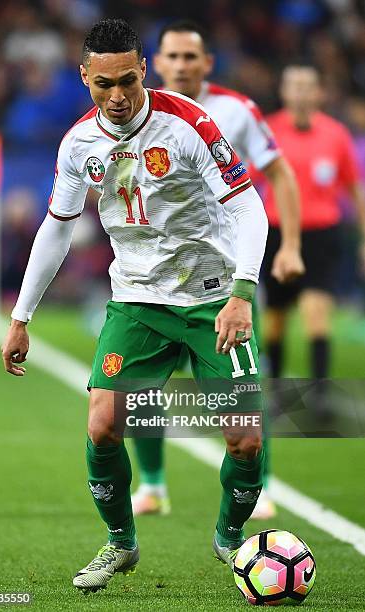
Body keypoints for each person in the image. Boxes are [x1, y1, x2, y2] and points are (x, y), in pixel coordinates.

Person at [1, 18, 269, 592]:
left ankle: (229, 537)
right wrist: (22, 317)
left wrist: (243, 293)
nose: (117, 96)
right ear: (84, 77)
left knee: (245, 439)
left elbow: (249, 207)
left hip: (213, 297)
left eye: (128, 80)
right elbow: (57, 226)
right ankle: (121, 543)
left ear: (144, 69)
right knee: (102, 426)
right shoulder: (79, 143)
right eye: (103, 84)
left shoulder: (190, 125)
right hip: (138, 301)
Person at [130, 20, 304, 520]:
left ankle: (262, 485)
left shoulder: (236, 110)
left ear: (207, 63)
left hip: (228, 273)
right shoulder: (137, 115)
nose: (182, 65)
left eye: (192, 57)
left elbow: (280, 173)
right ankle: (154, 485)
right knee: (142, 389)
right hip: (158, 278)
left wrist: (290, 245)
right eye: (173, 57)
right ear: (156, 64)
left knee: (245, 384)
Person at [261, 66, 365, 409]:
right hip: (276, 234)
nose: (302, 93)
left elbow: (353, 189)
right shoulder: (268, 132)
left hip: (322, 236)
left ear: (319, 93)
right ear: (284, 91)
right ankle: (276, 390)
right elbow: (241, 181)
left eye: (308, 87)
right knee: (275, 318)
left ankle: (319, 394)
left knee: (316, 312)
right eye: (295, 86)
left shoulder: (335, 135)